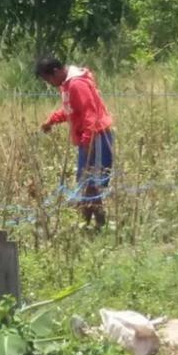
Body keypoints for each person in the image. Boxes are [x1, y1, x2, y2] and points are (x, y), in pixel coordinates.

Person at [36, 57, 114, 229]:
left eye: (48, 79)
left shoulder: (76, 84)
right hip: (88, 139)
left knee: (92, 181)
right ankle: (94, 225)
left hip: (96, 137)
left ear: (56, 71)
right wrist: (52, 120)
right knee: (86, 181)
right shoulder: (67, 85)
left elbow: (90, 115)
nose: (49, 83)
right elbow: (71, 110)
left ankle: (90, 223)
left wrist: (87, 143)